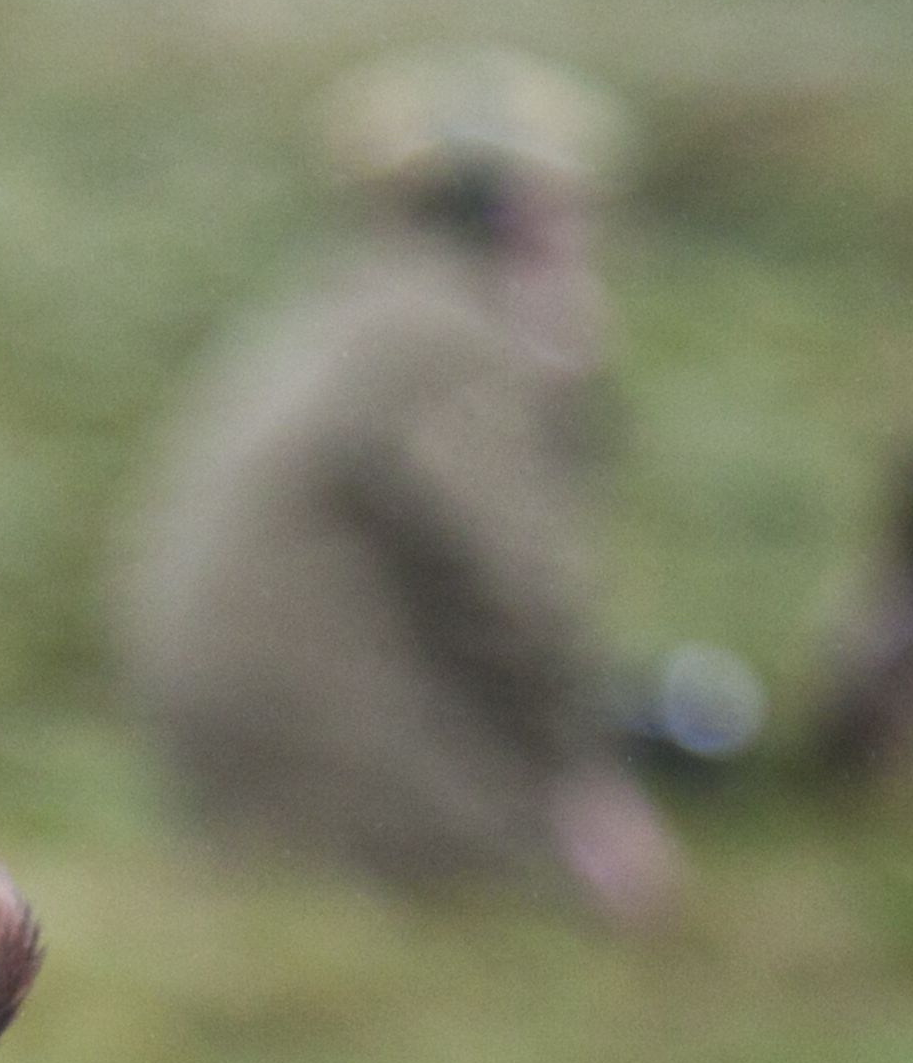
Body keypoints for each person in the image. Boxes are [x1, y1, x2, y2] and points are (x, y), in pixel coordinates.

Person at [118, 50, 679, 922]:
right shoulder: (456, 348)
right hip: (342, 783)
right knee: (603, 917)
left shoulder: (351, 311)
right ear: (527, 217)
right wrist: (586, 786)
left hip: (234, 773)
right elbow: (520, 597)